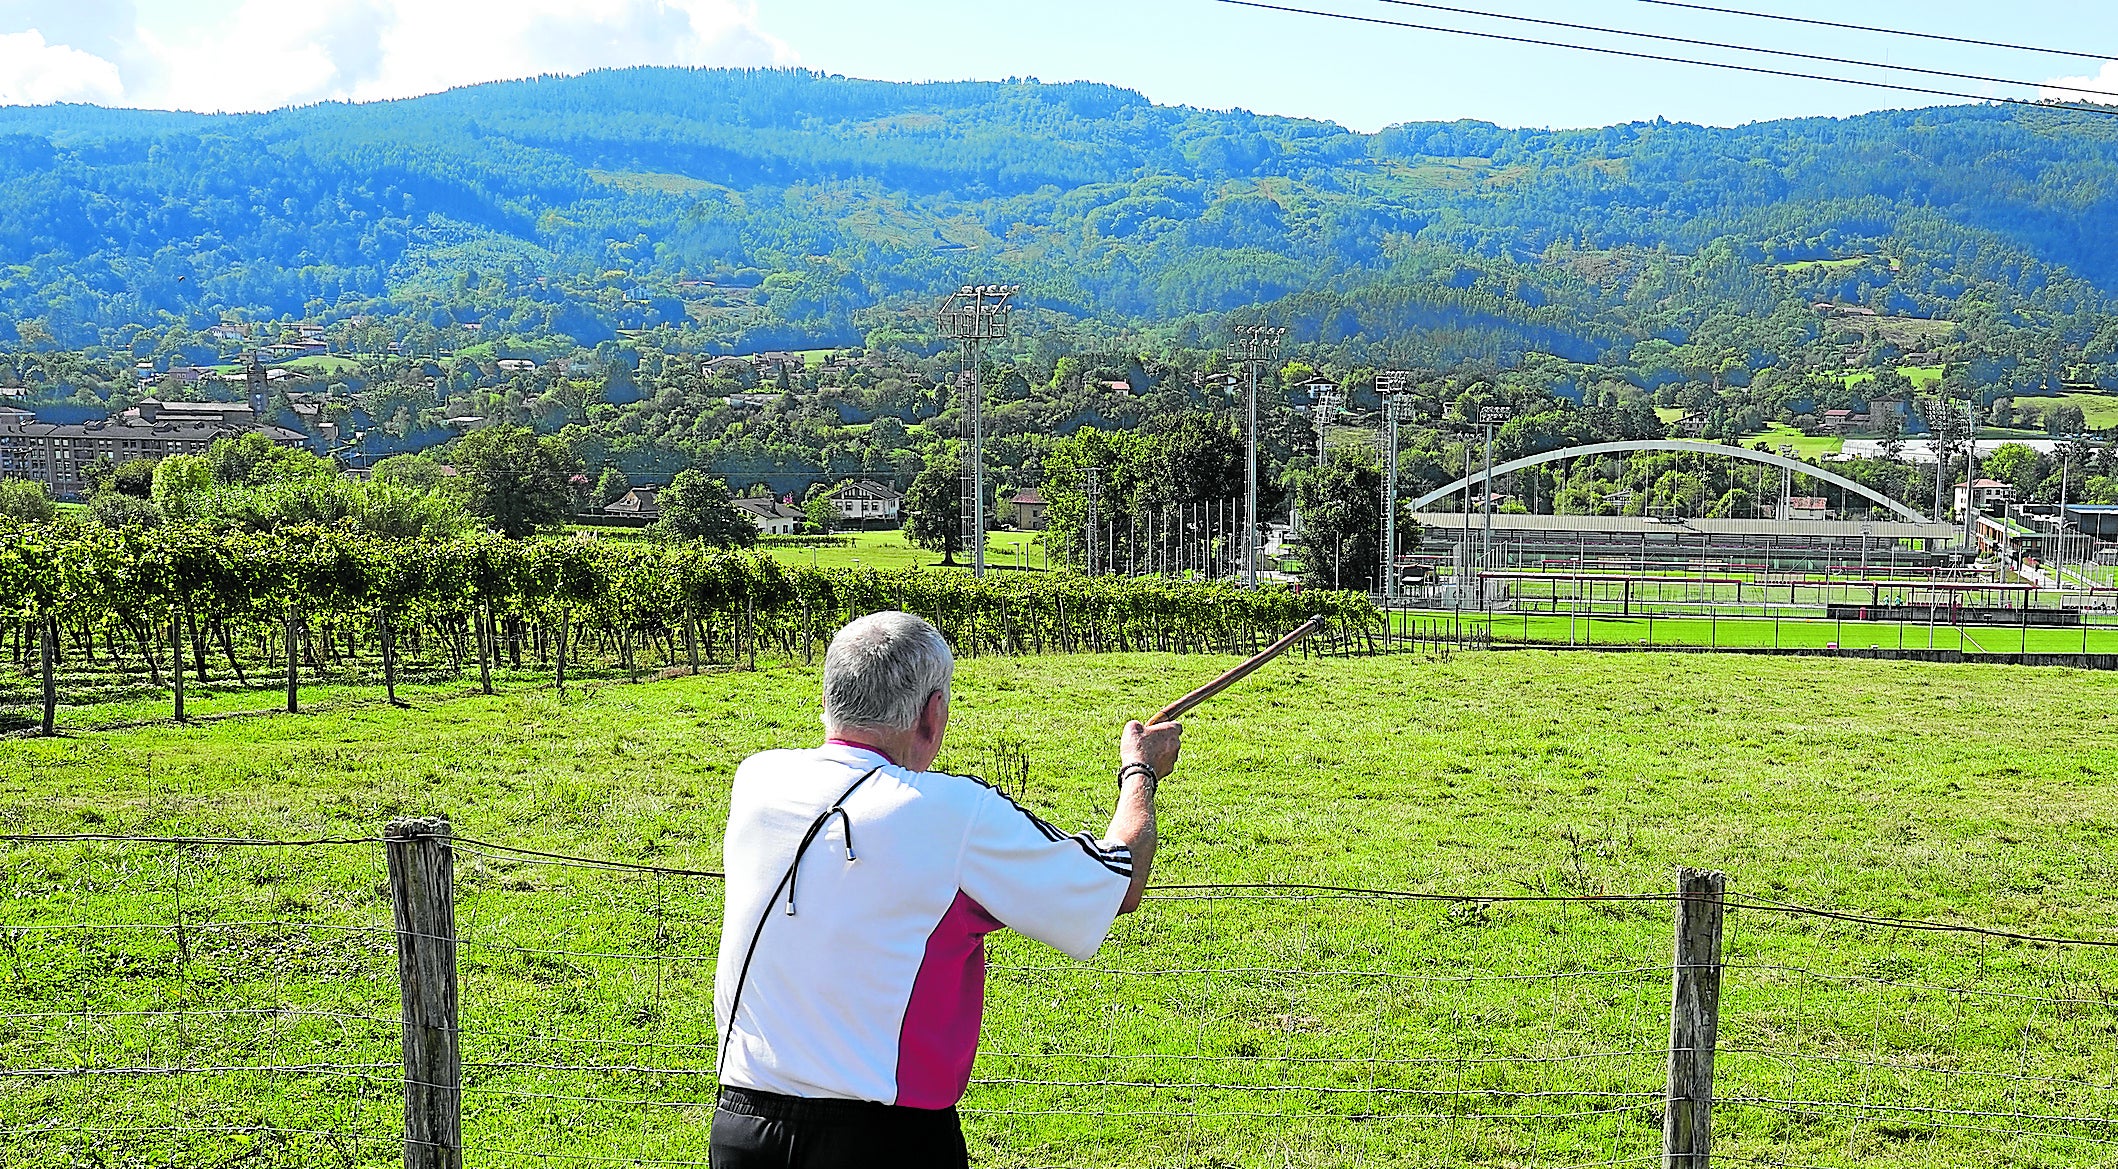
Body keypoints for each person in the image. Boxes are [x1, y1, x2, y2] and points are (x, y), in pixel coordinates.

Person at [711, 611, 1181, 1167]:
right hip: (882, 1139)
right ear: (933, 714)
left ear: (831, 698)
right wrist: (1139, 773)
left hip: (742, 1126)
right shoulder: (952, 814)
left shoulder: (758, 779)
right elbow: (1114, 880)